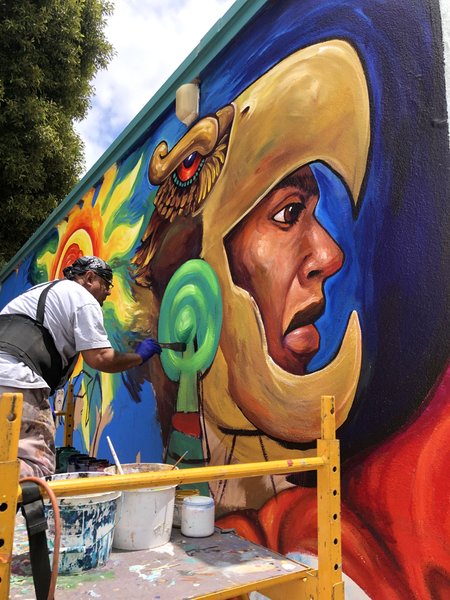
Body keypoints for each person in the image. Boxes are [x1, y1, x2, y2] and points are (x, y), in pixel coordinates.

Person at [0, 255, 161, 478]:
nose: (108, 292)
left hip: (8, 377)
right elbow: (101, 358)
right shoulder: (82, 298)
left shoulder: (39, 292)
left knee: (5, 457)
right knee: (36, 467)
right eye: (106, 284)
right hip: (15, 381)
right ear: (89, 277)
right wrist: (139, 357)